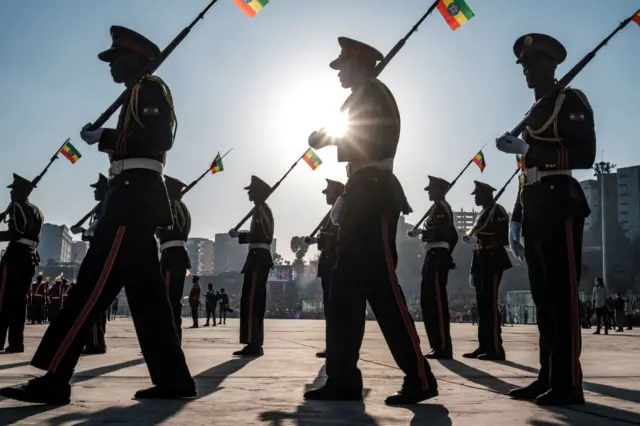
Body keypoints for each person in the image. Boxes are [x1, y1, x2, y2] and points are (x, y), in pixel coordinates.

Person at [0, 25, 195, 405]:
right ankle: (174, 380)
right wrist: (109, 140)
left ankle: (55, 378)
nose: (109, 66)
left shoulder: (148, 89)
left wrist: (105, 137)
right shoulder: (136, 94)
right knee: (149, 300)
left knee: (89, 288)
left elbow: (160, 140)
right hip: (130, 198)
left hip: (130, 201)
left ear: (134, 59)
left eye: (114, 59)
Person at [304, 37, 437, 405]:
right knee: (344, 296)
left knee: (382, 289)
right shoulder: (364, 93)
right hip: (361, 188)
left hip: (375, 189)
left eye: (343, 67)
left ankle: (421, 378)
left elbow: (364, 133)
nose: (339, 74)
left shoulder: (373, 93)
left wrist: (325, 135)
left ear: (359, 64)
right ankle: (342, 378)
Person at [496, 33, 595, 406]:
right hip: (535, 205)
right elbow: (526, 172)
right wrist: (517, 218)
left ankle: (568, 384)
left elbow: (584, 154)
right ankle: (547, 376)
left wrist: (527, 147)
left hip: (560, 204)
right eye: (524, 65)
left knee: (561, 297)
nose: (528, 70)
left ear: (553, 66)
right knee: (542, 298)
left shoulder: (570, 101)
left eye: (535, 63)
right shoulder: (536, 109)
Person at [461, 181, 512, 361]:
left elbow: (504, 235)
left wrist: (481, 237)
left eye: (478, 194)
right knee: (482, 306)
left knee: (490, 305)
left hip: (493, 258)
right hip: (481, 258)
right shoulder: (483, 213)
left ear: (487, 195)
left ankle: (496, 348)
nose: (475, 197)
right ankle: (484, 345)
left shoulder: (497, 211)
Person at [409, 176, 458, 359]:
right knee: (428, 301)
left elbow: (447, 233)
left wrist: (422, 232)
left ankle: (443, 346)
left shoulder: (441, 207)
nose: (428, 192)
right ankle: (437, 344)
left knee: (437, 302)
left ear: (440, 190)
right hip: (432, 255)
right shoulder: (436, 208)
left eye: (431, 189)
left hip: (438, 256)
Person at [229, 175, 274, 357]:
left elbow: (262, 235)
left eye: (251, 191)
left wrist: (239, 236)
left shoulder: (261, 209)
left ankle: (254, 343)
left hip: (258, 257)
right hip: (256, 256)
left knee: (253, 301)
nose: (249, 193)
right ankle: (253, 342)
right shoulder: (259, 209)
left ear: (258, 193)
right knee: (251, 300)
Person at [0, 173, 44, 353]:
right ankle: (17, 343)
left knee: (3, 300)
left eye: (14, 190)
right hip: (30, 258)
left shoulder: (17, 207)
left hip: (15, 257)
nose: (11, 193)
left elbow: (15, 233)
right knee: (19, 302)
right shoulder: (37, 210)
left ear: (22, 191)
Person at [305, 178, 344, 358]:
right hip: (328, 263)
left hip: (334, 262)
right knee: (330, 309)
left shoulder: (341, 213)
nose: (325, 195)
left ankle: (335, 347)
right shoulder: (332, 214)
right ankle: (332, 346)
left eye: (328, 192)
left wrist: (317, 240)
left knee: (334, 308)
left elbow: (336, 238)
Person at [157, 175, 191, 341]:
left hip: (172, 256)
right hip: (175, 255)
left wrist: (157, 228)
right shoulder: (179, 207)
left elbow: (170, 229)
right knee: (172, 299)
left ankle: (170, 338)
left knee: (169, 299)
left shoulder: (172, 206)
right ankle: (172, 337)